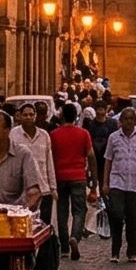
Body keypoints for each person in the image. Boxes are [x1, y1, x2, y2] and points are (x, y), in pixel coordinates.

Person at [101, 106, 136, 263]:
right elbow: (108, 160)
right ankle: (115, 250)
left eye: (132, 119)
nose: (129, 122)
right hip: (117, 183)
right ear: (121, 121)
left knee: (135, 219)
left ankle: (132, 251)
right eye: (126, 119)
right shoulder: (113, 138)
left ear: (135, 120)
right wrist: (105, 183)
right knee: (117, 216)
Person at [48, 101, 93, 258]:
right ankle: (75, 236)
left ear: (61, 116)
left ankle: (65, 247)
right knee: (79, 210)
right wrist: (93, 178)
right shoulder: (83, 134)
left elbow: (50, 157)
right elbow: (91, 156)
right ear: (76, 116)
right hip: (78, 176)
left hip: (60, 176)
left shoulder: (54, 134)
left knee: (62, 211)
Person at [12, 102, 58, 232]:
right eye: (25, 115)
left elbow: (49, 162)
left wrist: (53, 186)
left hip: (44, 188)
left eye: (31, 114)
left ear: (35, 116)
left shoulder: (44, 136)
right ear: (19, 116)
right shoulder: (13, 135)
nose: (28, 117)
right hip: (23, 190)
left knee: (44, 226)